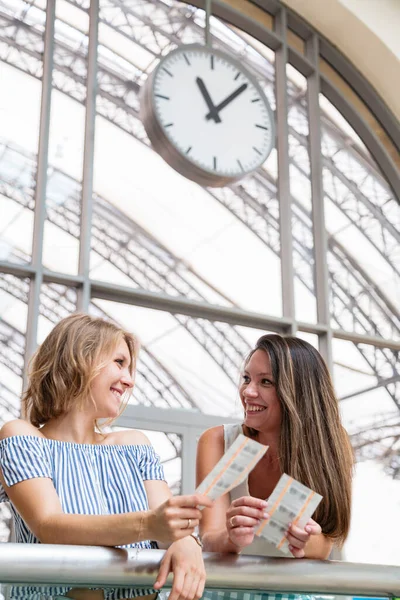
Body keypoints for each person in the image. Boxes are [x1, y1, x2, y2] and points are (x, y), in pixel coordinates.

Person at [0, 313, 213, 600]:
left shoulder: (135, 444)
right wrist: (149, 525)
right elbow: (49, 525)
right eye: (119, 363)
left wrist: (186, 541)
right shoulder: (22, 436)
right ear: (80, 358)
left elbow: (168, 525)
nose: (129, 381)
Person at [196, 334, 353, 560]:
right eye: (247, 378)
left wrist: (304, 541)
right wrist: (231, 537)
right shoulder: (218, 441)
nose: (248, 392)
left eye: (266, 382)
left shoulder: (330, 445)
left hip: (293, 587)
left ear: (299, 393)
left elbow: (326, 543)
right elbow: (209, 538)